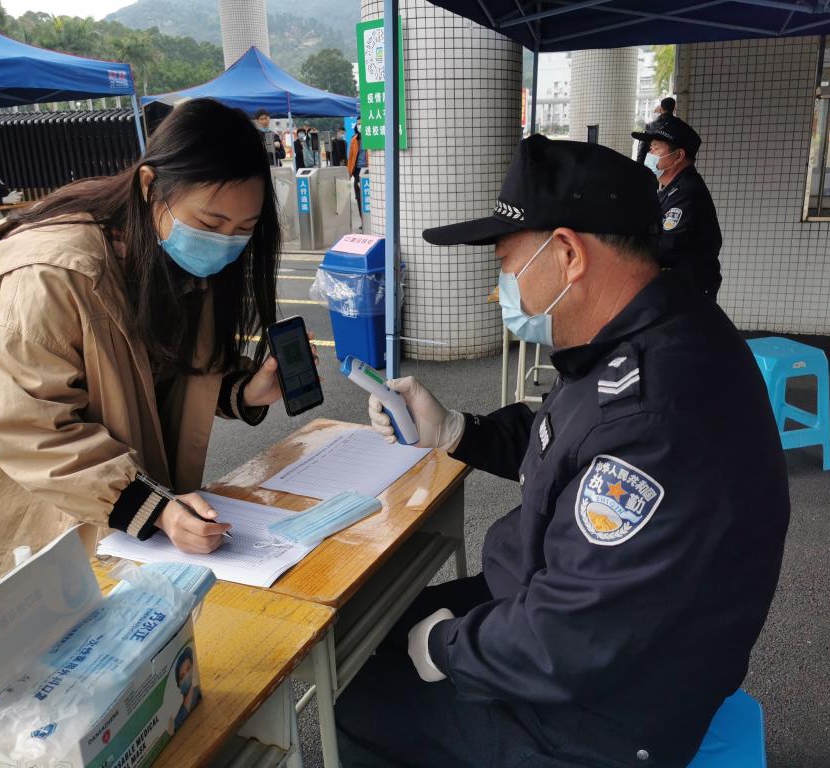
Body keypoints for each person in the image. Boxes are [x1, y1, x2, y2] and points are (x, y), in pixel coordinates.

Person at [337, 135, 790, 767]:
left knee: (356, 699)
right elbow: (566, 437)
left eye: (507, 262)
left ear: (569, 254)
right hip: (595, 626)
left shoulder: (652, 412)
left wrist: (448, 648)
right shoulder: (656, 330)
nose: (501, 287)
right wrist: (456, 431)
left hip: (606, 712)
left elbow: (572, 634)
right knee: (366, 637)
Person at [0, 98, 305, 588]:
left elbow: (164, 371)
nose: (225, 243)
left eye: (244, 230)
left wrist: (244, 391)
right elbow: (33, 431)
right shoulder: (50, 275)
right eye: (210, 224)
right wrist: (155, 509)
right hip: (60, 516)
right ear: (149, 186)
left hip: (133, 511)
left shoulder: (167, 252)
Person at [632, 114, 724, 301]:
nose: (649, 154)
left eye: (656, 148)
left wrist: (625, 249)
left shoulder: (687, 192)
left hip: (689, 293)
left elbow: (666, 247)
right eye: (650, 147)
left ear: (679, 156)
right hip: (678, 289)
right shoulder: (671, 188)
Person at [635, 97, 676, 165]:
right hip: (672, 163)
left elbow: (643, 148)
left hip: (653, 162)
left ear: (661, 109)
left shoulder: (651, 126)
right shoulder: (680, 127)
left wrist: (639, 165)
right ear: (674, 109)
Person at [346, 119, 367, 221]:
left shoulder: (371, 138)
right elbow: (351, 157)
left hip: (368, 170)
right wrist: (349, 173)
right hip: (357, 171)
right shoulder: (354, 140)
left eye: (361, 124)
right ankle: (363, 221)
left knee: (368, 196)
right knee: (359, 197)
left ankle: (370, 220)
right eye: (358, 124)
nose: (359, 126)